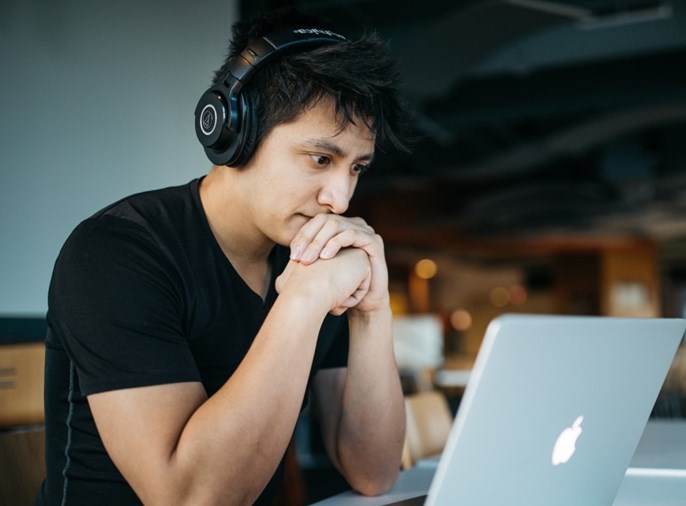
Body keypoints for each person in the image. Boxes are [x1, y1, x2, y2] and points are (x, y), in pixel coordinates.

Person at [38, 8, 413, 505]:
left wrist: (372, 310)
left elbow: (374, 471)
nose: (340, 200)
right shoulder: (116, 252)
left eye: (356, 168)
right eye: (320, 159)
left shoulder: (312, 257)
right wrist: (302, 302)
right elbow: (190, 498)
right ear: (234, 132)